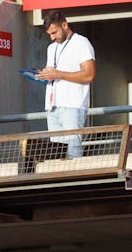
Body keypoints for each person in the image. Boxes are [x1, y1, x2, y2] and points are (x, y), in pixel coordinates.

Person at [37, 10, 94, 160]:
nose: (52, 37)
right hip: (52, 107)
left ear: (64, 25)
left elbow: (89, 75)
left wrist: (58, 74)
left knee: (72, 154)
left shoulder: (81, 43)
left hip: (73, 106)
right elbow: (54, 74)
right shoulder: (51, 48)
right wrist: (44, 75)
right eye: (49, 34)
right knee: (56, 156)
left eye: (54, 32)